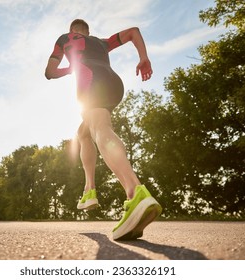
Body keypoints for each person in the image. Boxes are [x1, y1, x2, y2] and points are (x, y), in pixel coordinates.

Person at [45, 19, 162, 240]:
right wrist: (143, 58)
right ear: (88, 32)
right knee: (84, 132)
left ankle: (135, 191)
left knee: (99, 129)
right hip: (113, 82)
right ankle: (89, 190)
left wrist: (71, 68)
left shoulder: (65, 39)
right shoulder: (101, 42)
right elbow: (133, 32)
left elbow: (50, 72)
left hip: (89, 80)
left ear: (73, 31)